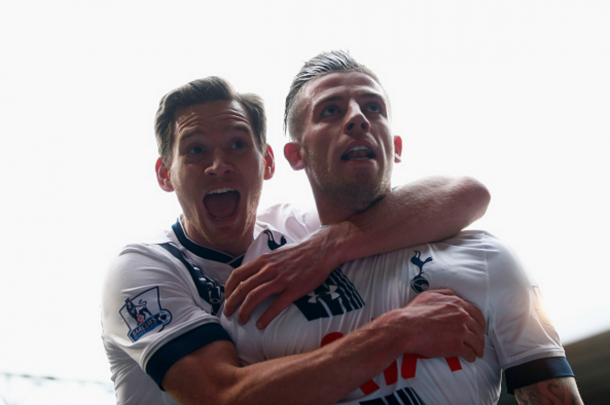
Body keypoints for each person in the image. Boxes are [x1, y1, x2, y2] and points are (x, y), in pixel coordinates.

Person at [220, 51, 583, 404]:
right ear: (296, 155)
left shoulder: (486, 257)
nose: (358, 118)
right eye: (331, 110)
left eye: (373, 107)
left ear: (395, 147)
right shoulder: (266, 289)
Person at [101, 76, 490, 405]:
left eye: (237, 144)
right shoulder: (143, 268)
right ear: (165, 174)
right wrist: (398, 332)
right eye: (195, 150)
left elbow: (465, 194)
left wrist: (332, 245)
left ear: (268, 162)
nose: (218, 165)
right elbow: (221, 394)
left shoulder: (299, 231)